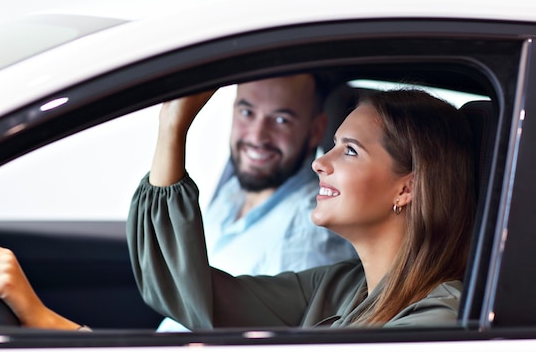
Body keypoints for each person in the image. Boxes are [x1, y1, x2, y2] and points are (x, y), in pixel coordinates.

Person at [127, 87, 476, 329]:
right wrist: (172, 125)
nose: (320, 162)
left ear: (407, 188)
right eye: (334, 145)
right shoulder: (340, 286)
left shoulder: (437, 317)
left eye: (350, 151)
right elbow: (189, 293)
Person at [156, 74, 357, 332]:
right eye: (247, 112)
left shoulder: (309, 235)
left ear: (316, 130)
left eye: (281, 120)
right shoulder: (235, 190)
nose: (257, 136)